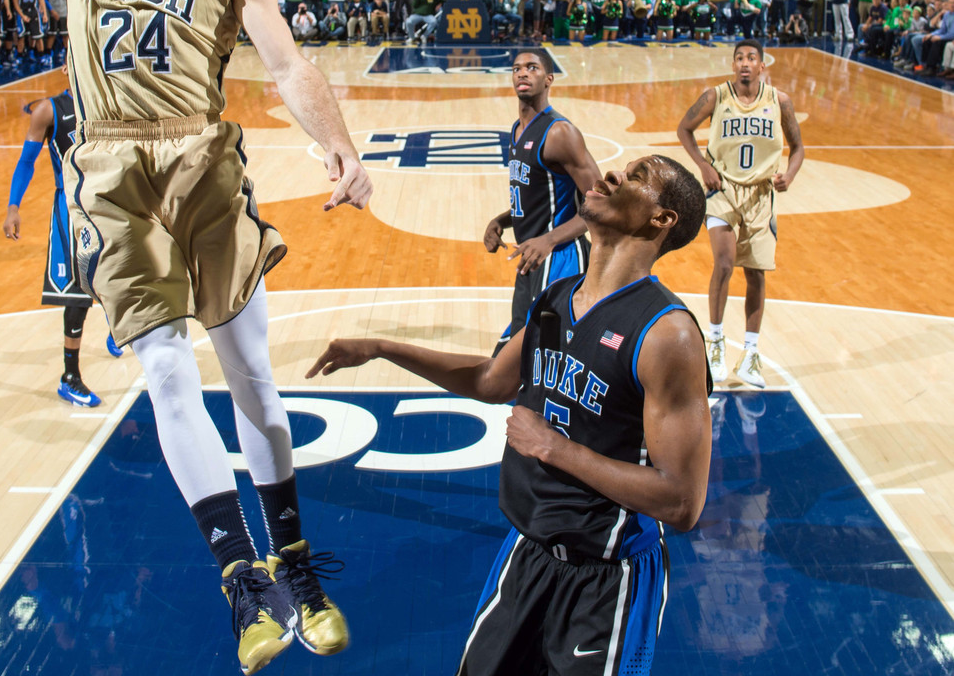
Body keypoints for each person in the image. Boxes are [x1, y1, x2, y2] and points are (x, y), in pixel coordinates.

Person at [57, 0, 372, 675]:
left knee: (254, 380)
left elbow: (287, 62)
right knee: (162, 373)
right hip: (113, 175)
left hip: (203, 168)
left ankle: (297, 558)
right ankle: (242, 577)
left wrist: (338, 148)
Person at [308, 154, 712, 676]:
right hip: (527, 555)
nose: (612, 174)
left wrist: (556, 449)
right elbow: (488, 381)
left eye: (636, 177)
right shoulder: (556, 298)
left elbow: (682, 502)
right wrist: (384, 347)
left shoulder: (667, 334)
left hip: (608, 581)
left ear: (662, 220)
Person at [677, 39, 804, 389]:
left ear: (763, 66)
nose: (745, 63)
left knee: (757, 275)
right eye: (739, 58)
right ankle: (715, 343)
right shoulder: (716, 97)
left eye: (751, 58)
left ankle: (750, 353)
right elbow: (683, 128)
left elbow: (798, 147)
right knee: (724, 262)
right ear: (733, 65)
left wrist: (789, 176)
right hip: (723, 190)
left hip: (762, 195)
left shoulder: (779, 101)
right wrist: (702, 164)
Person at [484, 49, 602, 349]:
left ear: (549, 79)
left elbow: (601, 204)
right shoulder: (517, 130)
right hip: (532, 258)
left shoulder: (560, 132)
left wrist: (549, 240)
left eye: (532, 68)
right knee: (515, 358)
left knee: (546, 356)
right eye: (517, 69)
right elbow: (536, 198)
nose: (522, 73)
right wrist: (501, 221)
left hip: (561, 257)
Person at [2, 88, 102, 406]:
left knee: (129, 269)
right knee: (77, 293)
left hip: (108, 200)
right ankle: (69, 377)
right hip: (71, 206)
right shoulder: (48, 110)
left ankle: (118, 328)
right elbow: (26, 161)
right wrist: (13, 208)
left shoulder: (106, 97)